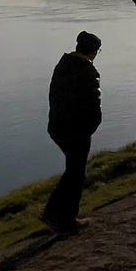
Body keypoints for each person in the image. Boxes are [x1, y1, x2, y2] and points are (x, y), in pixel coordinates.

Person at [41, 31, 102, 233]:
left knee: (72, 171)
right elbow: (94, 107)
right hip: (76, 132)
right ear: (93, 52)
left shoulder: (62, 66)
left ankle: (53, 213)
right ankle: (66, 219)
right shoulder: (88, 72)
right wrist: (89, 128)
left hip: (57, 128)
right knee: (76, 175)